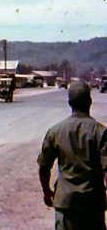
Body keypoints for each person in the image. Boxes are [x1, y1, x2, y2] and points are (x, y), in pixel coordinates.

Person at [37, 81, 107, 230]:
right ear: (89, 102)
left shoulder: (55, 131)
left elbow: (44, 166)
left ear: (70, 103)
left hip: (66, 203)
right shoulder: (101, 132)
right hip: (92, 203)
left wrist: (47, 191)